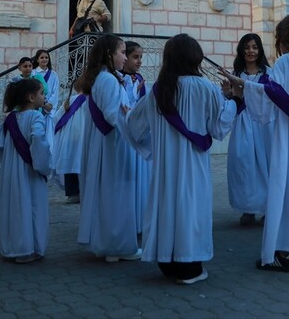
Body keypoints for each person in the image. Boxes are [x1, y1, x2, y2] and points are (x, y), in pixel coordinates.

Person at [122, 34, 237, 285]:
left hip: (166, 165)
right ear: (195, 57)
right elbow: (218, 129)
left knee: (167, 206)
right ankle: (190, 267)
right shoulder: (206, 87)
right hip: (194, 163)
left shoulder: (158, 90)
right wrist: (232, 101)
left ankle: (167, 261)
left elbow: (133, 125)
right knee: (191, 209)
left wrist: (154, 148)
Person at [223, 15, 289, 273]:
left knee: (288, 192)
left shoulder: (285, 62)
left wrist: (241, 85)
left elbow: (272, 95)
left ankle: (284, 252)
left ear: (284, 38)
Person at [75, 33, 142, 262]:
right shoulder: (109, 80)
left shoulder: (101, 78)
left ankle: (108, 244)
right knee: (116, 192)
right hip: (113, 145)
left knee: (107, 193)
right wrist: (137, 117)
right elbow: (115, 114)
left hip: (104, 143)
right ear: (108, 54)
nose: (125, 57)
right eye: (122, 52)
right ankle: (118, 246)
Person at [0, 77, 52, 264]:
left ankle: (14, 246)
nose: (44, 97)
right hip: (30, 171)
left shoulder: (10, 119)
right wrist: (44, 164)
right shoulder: (36, 116)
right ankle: (29, 248)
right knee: (32, 206)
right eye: (42, 93)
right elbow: (39, 140)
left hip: (11, 172)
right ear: (31, 97)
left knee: (14, 206)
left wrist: (8, 160)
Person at [227, 33, 273, 226]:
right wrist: (229, 94)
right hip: (244, 123)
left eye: (254, 47)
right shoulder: (236, 74)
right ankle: (248, 208)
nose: (251, 51)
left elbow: (270, 97)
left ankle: (266, 208)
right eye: (247, 47)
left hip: (264, 125)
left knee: (265, 166)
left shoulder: (268, 74)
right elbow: (233, 98)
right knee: (243, 164)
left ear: (260, 49)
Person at [120, 41, 150, 235]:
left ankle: (141, 221)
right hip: (125, 134)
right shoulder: (119, 80)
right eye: (135, 57)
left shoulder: (138, 78)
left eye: (141, 57)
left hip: (138, 132)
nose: (139, 61)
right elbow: (124, 106)